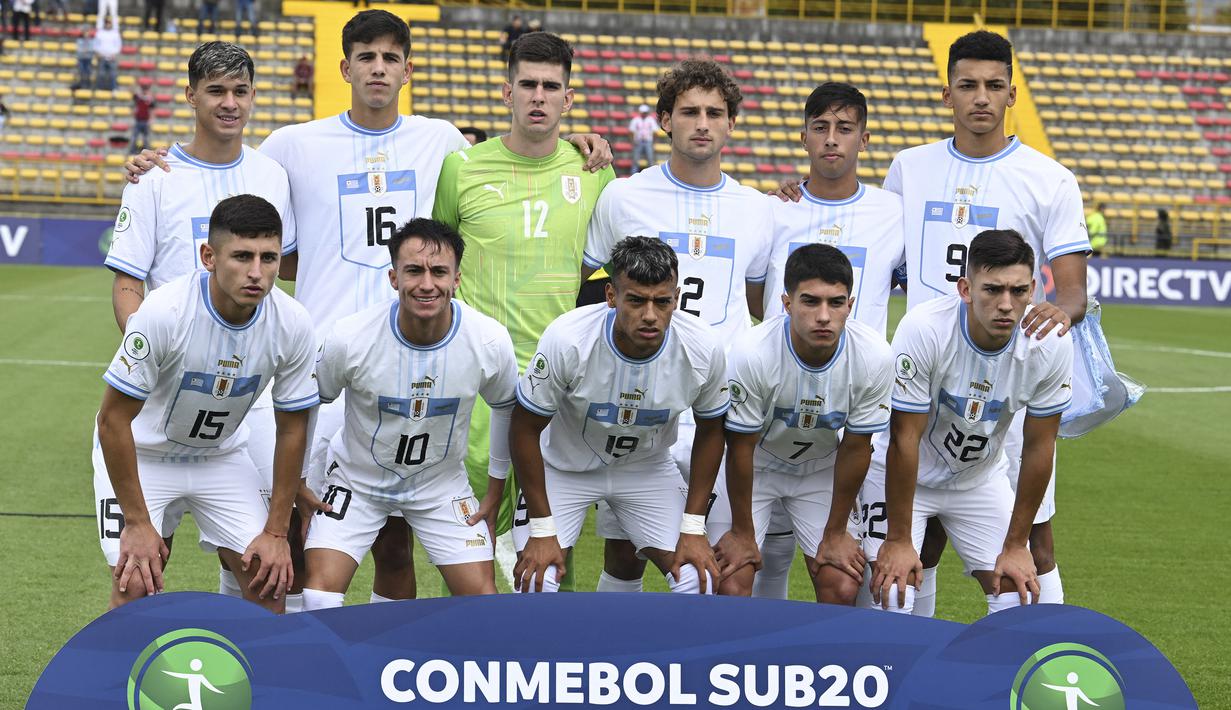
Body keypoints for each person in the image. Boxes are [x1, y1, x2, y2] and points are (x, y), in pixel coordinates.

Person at [123, 11, 612, 604]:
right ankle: (293, 657)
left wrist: (582, 142)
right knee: (290, 536)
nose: (378, 68)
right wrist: (156, 164)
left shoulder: (444, 143)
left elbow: (521, 152)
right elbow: (238, 189)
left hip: (407, 364)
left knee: (395, 541)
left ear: (408, 69)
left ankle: (386, 670)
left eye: (390, 57)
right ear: (344, 66)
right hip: (320, 367)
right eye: (366, 56)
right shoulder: (291, 146)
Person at [865, 29, 1090, 615]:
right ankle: (919, 657)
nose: (981, 98)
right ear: (947, 94)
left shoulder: (1050, 179)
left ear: (1013, 94)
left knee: (1033, 541)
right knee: (924, 539)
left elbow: (1072, 296)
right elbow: (872, 239)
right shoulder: (910, 168)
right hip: (928, 370)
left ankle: (1042, 659)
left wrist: (1046, 318)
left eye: (994, 86)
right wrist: (798, 200)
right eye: (968, 85)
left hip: (1006, 381)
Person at [97, 40, 296, 608]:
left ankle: (247, 678)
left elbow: (283, 271)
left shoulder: (271, 173)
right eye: (215, 91)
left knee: (267, 564)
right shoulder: (154, 176)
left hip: (244, 401)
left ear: (254, 97)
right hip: (161, 393)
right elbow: (129, 284)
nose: (229, 103)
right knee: (141, 570)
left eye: (240, 91)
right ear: (191, 96)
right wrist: (152, 358)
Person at [581, 58, 774, 593]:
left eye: (715, 112)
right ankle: (616, 661)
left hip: (721, 406)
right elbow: (585, 285)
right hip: (641, 402)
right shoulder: (622, 196)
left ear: (732, 122)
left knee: (718, 561)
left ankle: (702, 667)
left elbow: (756, 298)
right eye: (689, 111)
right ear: (665, 119)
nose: (703, 123)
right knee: (625, 555)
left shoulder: (758, 209)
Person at [433, 31, 616, 552]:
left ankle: (547, 635)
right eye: (528, 84)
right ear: (507, 92)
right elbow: (442, 262)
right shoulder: (461, 168)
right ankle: (468, 634)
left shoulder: (594, 172)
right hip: (476, 377)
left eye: (551, 86)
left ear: (568, 98)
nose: (539, 96)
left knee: (549, 541)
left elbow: (600, 275)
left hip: (558, 380)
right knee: (470, 545)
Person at [96, 194, 319, 612]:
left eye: (269, 258)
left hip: (219, 457)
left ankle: (257, 678)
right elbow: (112, 421)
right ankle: (113, 678)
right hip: (143, 458)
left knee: (267, 581)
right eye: (242, 256)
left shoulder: (293, 323)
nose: (257, 272)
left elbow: (293, 427)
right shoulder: (163, 313)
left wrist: (275, 532)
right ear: (209, 256)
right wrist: (139, 522)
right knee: (135, 584)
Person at [301, 218, 517, 609]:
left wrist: (495, 490)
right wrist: (304, 479)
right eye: (414, 271)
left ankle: (395, 657)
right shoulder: (351, 337)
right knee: (318, 595)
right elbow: (311, 401)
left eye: (439, 272)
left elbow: (504, 407)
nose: (427, 284)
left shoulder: (488, 340)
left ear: (457, 279)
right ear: (393, 278)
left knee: (485, 605)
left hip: (440, 487)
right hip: (357, 482)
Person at [510, 236, 728, 594]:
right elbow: (524, 427)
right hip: (564, 468)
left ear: (676, 298)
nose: (650, 315)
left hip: (646, 468)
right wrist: (541, 530)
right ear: (611, 296)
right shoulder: (568, 339)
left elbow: (712, 430)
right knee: (537, 581)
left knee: (697, 579)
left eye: (662, 302)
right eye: (636, 300)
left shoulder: (703, 347)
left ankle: (629, 651)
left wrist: (693, 527)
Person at [755, 81, 905, 600]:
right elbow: (755, 296)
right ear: (803, 138)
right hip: (775, 403)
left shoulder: (895, 213)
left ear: (864, 139)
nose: (832, 140)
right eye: (821, 128)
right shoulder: (772, 211)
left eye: (845, 129)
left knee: (851, 564)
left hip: (857, 409)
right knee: (763, 552)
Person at [873, 229, 1073, 615]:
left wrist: (1016, 544)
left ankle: (1004, 676)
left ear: (1033, 289)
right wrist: (898, 539)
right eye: (992, 289)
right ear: (965, 288)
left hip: (978, 480)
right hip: (904, 476)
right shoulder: (926, 328)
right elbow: (904, 439)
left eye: (1017, 291)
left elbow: (1039, 446)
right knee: (894, 595)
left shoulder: (1049, 342)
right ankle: (909, 668)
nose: (1005, 304)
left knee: (1018, 593)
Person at [710, 244, 891, 602]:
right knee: (730, 580)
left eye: (836, 302)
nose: (824, 315)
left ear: (850, 306)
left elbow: (856, 448)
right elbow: (740, 449)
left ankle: (826, 658)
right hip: (754, 467)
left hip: (819, 470)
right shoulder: (752, 352)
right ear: (787, 303)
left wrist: (836, 533)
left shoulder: (874, 355)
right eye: (810, 301)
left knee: (841, 584)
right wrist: (743, 534)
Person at [93, 15, 121, 91]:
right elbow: (95, 44)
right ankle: (99, 88)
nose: (108, 24)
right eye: (106, 23)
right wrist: (97, 53)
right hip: (101, 57)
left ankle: (114, 88)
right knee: (100, 74)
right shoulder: (100, 33)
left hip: (112, 57)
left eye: (109, 23)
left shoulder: (115, 33)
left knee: (113, 74)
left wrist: (114, 54)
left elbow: (118, 45)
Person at [628, 103, 657, 174]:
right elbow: (631, 131)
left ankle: (652, 174)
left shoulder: (651, 120)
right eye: (643, 112)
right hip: (639, 141)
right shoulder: (636, 120)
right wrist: (633, 141)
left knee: (650, 159)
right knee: (635, 159)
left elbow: (655, 132)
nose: (644, 114)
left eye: (645, 112)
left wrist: (653, 141)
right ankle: (633, 174)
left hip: (648, 141)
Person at [130, 84, 155, 152]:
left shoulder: (150, 100)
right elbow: (132, 91)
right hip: (138, 120)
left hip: (145, 121)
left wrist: (151, 120)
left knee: (146, 139)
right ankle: (132, 151)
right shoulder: (139, 97)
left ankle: (146, 151)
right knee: (134, 137)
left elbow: (152, 110)